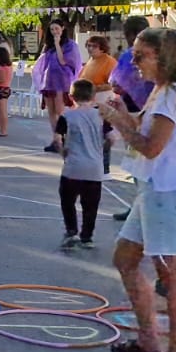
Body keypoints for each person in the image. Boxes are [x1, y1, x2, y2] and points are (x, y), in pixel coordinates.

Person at [99, 27, 176, 352]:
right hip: (155, 189)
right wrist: (126, 114)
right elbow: (148, 135)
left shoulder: (171, 94)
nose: (134, 62)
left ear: (164, 58)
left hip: (168, 192)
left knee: (171, 277)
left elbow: (151, 147)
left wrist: (118, 121)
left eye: (140, 55)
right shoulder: (163, 92)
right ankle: (148, 340)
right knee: (126, 259)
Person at [109, 15, 156, 221]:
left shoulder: (132, 55)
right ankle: (141, 205)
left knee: (141, 163)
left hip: (138, 111)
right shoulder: (158, 54)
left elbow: (117, 82)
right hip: (146, 108)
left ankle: (140, 207)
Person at [53, 79, 105, 249]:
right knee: (91, 205)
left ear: (71, 96)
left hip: (73, 167)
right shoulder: (101, 115)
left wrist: (63, 152)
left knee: (67, 200)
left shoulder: (67, 116)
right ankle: (87, 236)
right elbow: (111, 138)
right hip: (95, 168)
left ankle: (71, 229)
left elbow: (57, 139)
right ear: (93, 96)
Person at [33, 19, 83, 147]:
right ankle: (56, 139)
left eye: (56, 28)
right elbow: (42, 63)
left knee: (60, 111)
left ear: (62, 28)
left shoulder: (70, 45)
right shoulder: (48, 46)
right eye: (52, 29)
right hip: (48, 81)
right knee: (51, 112)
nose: (54, 32)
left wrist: (57, 44)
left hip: (62, 81)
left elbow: (63, 61)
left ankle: (63, 137)